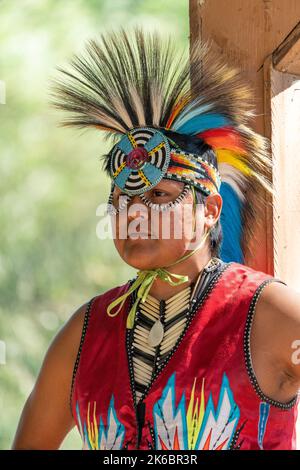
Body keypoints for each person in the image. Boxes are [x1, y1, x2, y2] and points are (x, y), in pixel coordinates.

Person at [13, 28, 300, 450]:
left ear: (210, 210)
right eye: (122, 199)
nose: (135, 213)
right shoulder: (85, 333)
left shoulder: (268, 312)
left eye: (159, 196)